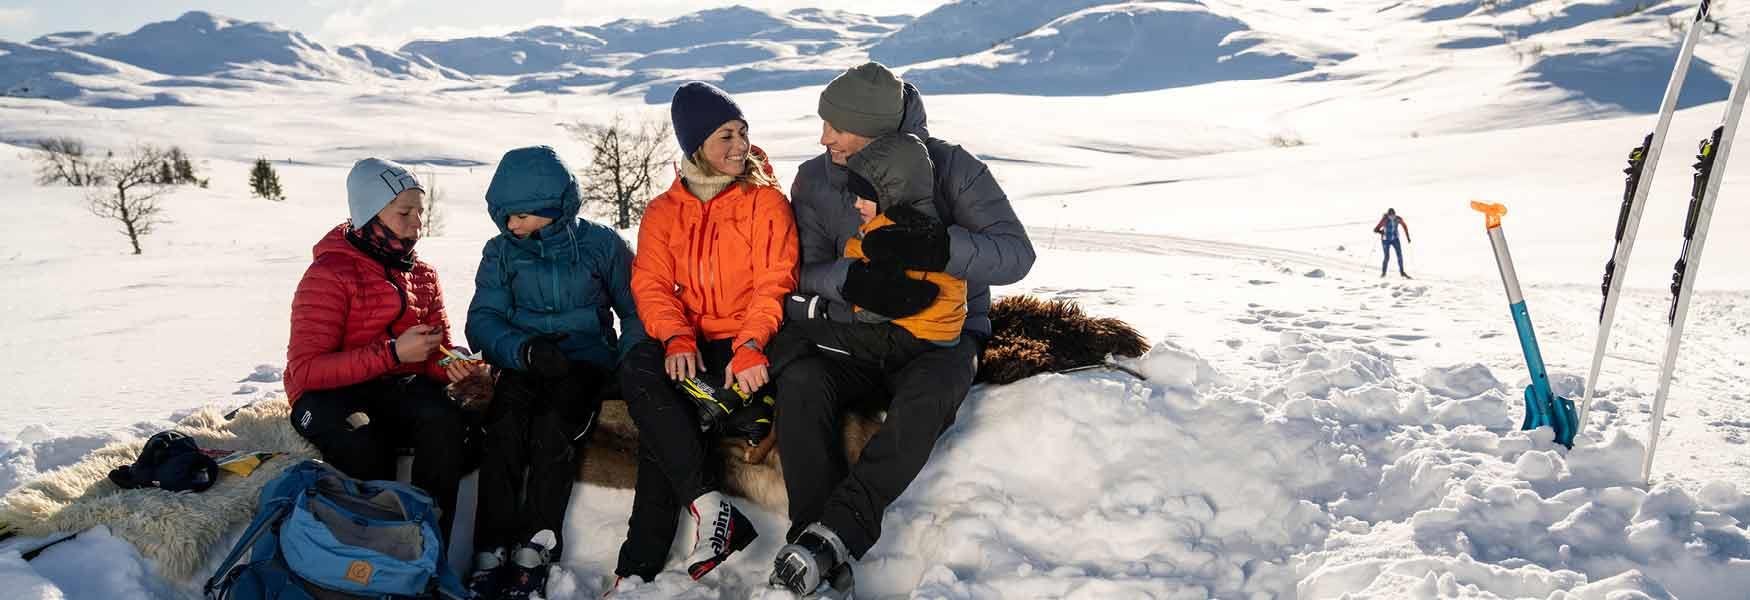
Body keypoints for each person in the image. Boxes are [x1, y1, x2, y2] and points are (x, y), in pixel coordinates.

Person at [770, 62, 1035, 594]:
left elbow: (1016, 255)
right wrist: (855, 282)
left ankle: (838, 532)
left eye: (837, 128)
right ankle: (812, 548)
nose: (824, 139)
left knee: (929, 395)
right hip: (858, 331)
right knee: (801, 383)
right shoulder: (815, 178)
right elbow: (802, 268)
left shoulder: (953, 168)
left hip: (943, 337)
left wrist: (942, 249)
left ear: (877, 132)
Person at [610, 81, 799, 588]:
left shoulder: (765, 203)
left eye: (742, 132)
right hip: (690, 343)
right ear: (696, 146)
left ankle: (636, 570)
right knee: (638, 366)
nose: (739, 145)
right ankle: (708, 503)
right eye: (724, 136)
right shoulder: (662, 212)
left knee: (660, 434)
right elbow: (649, 285)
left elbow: (774, 282)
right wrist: (675, 337)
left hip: (750, 341)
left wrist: (751, 344)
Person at [463, 145, 644, 598]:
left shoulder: (602, 246)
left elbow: (638, 313)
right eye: (504, 217)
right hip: (523, 362)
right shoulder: (501, 252)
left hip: (584, 364)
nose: (510, 227)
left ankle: (537, 546)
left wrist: (622, 366)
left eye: (519, 217)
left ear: (550, 208)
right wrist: (522, 351)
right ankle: (490, 548)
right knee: (503, 429)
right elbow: (482, 319)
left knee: (552, 429)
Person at [284, 158, 488, 539]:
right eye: (404, 212)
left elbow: (434, 353)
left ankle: (426, 550)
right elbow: (306, 370)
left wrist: (451, 365)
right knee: (364, 441)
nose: (417, 223)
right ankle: (372, 557)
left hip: (392, 385)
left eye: (420, 212)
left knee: (447, 422)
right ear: (369, 214)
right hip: (326, 394)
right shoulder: (330, 273)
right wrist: (393, 353)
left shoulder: (423, 276)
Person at [766, 131, 965, 375]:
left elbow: (875, 311)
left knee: (799, 336)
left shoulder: (885, 234)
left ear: (887, 193)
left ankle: (738, 391)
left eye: (864, 197)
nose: (856, 204)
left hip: (908, 336)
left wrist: (831, 311)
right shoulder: (925, 223)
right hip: (940, 334)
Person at [1374, 207, 1412, 278]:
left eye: (1393, 215)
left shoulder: (1398, 219)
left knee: (1399, 255)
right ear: (1388, 215)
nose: (1392, 217)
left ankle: (1402, 272)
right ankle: (1383, 273)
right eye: (1390, 216)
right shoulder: (1384, 220)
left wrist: (1408, 237)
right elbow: (1375, 229)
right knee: (1387, 257)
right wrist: (1381, 232)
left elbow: (1405, 226)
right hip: (1386, 240)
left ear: (1395, 214)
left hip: (1395, 239)